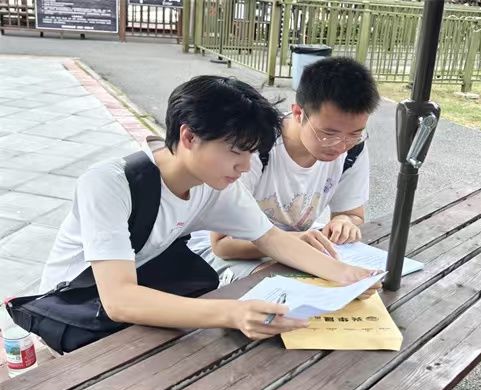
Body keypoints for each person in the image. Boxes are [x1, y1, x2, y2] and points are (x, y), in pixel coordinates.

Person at [36, 75, 380, 346]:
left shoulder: (214, 184)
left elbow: (272, 239)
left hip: (140, 290)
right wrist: (233, 313)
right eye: (236, 151)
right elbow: (119, 300)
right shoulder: (108, 184)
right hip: (74, 307)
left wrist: (346, 275)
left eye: (251, 153)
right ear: (189, 137)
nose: (245, 166)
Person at [188, 57, 380, 286]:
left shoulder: (352, 149)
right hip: (227, 253)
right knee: (294, 288)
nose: (341, 145)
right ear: (298, 113)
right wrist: (296, 241)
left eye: (355, 134)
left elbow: (353, 213)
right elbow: (222, 244)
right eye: (328, 134)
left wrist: (345, 221)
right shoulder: (256, 146)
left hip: (293, 248)